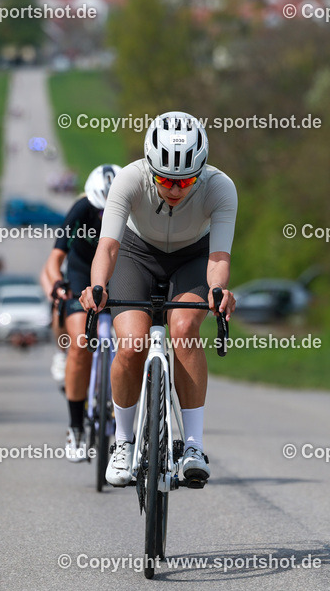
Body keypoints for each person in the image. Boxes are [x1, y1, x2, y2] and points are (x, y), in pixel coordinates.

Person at [80, 112, 237, 488]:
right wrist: (97, 286)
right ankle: (122, 442)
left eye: (186, 181)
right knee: (132, 344)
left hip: (192, 258)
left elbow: (218, 258)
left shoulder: (221, 187)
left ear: (201, 171)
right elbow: (109, 245)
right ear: (150, 167)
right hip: (135, 255)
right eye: (165, 179)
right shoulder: (130, 179)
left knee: (183, 328)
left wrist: (217, 292)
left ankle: (194, 446)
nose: (175, 189)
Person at [41, 164, 120, 461]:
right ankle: (75, 427)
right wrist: (58, 284)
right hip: (81, 275)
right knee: (81, 344)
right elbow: (54, 259)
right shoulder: (80, 208)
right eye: (100, 211)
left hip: (118, 275)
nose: (103, 218)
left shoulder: (133, 206)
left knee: (132, 343)